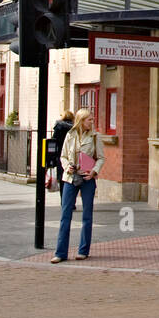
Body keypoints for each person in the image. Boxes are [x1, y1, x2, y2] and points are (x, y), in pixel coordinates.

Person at [51, 108, 104, 263]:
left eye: (92, 120)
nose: (92, 122)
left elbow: (101, 158)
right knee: (65, 215)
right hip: (70, 178)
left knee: (87, 215)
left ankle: (83, 250)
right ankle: (60, 253)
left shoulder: (95, 137)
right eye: (89, 120)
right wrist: (67, 166)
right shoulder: (70, 135)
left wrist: (94, 172)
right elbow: (63, 156)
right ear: (81, 121)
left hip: (87, 179)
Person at [52, 109, 74, 200]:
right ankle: (71, 202)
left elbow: (54, 141)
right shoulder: (73, 128)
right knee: (71, 179)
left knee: (62, 178)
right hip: (71, 155)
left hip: (60, 155)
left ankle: (63, 200)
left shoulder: (58, 127)